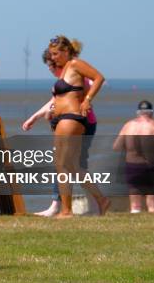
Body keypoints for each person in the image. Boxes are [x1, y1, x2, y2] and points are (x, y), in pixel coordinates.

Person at [23, 49, 98, 217]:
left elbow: (85, 91)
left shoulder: (76, 75)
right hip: (72, 125)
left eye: (52, 65)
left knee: (69, 166)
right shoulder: (63, 78)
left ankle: (62, 207)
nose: (50, 69)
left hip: (81, 125)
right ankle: (86, 205)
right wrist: (33, 118)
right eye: (49, 65)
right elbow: (53, 102)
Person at [47, 35, 110, 218]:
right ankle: (102, 200)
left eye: (56, 54)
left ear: (66, 51)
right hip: (62, 119)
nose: (53, 58)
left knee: (62, 165)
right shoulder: (66, 67)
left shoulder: (75, 64)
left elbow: (98, 77)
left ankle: (66, 211)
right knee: (72, 166)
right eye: (51, 54)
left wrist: (87, 100)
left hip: (71, 118)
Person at [113, 100, 154, 213]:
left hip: (132, 165)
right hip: (152, 166)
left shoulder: (128, 125)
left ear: (138, 112)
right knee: (152, 203)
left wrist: (130, 148)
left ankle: (135, 221)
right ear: (151, 113)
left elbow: (116, 147)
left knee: (135, 204)